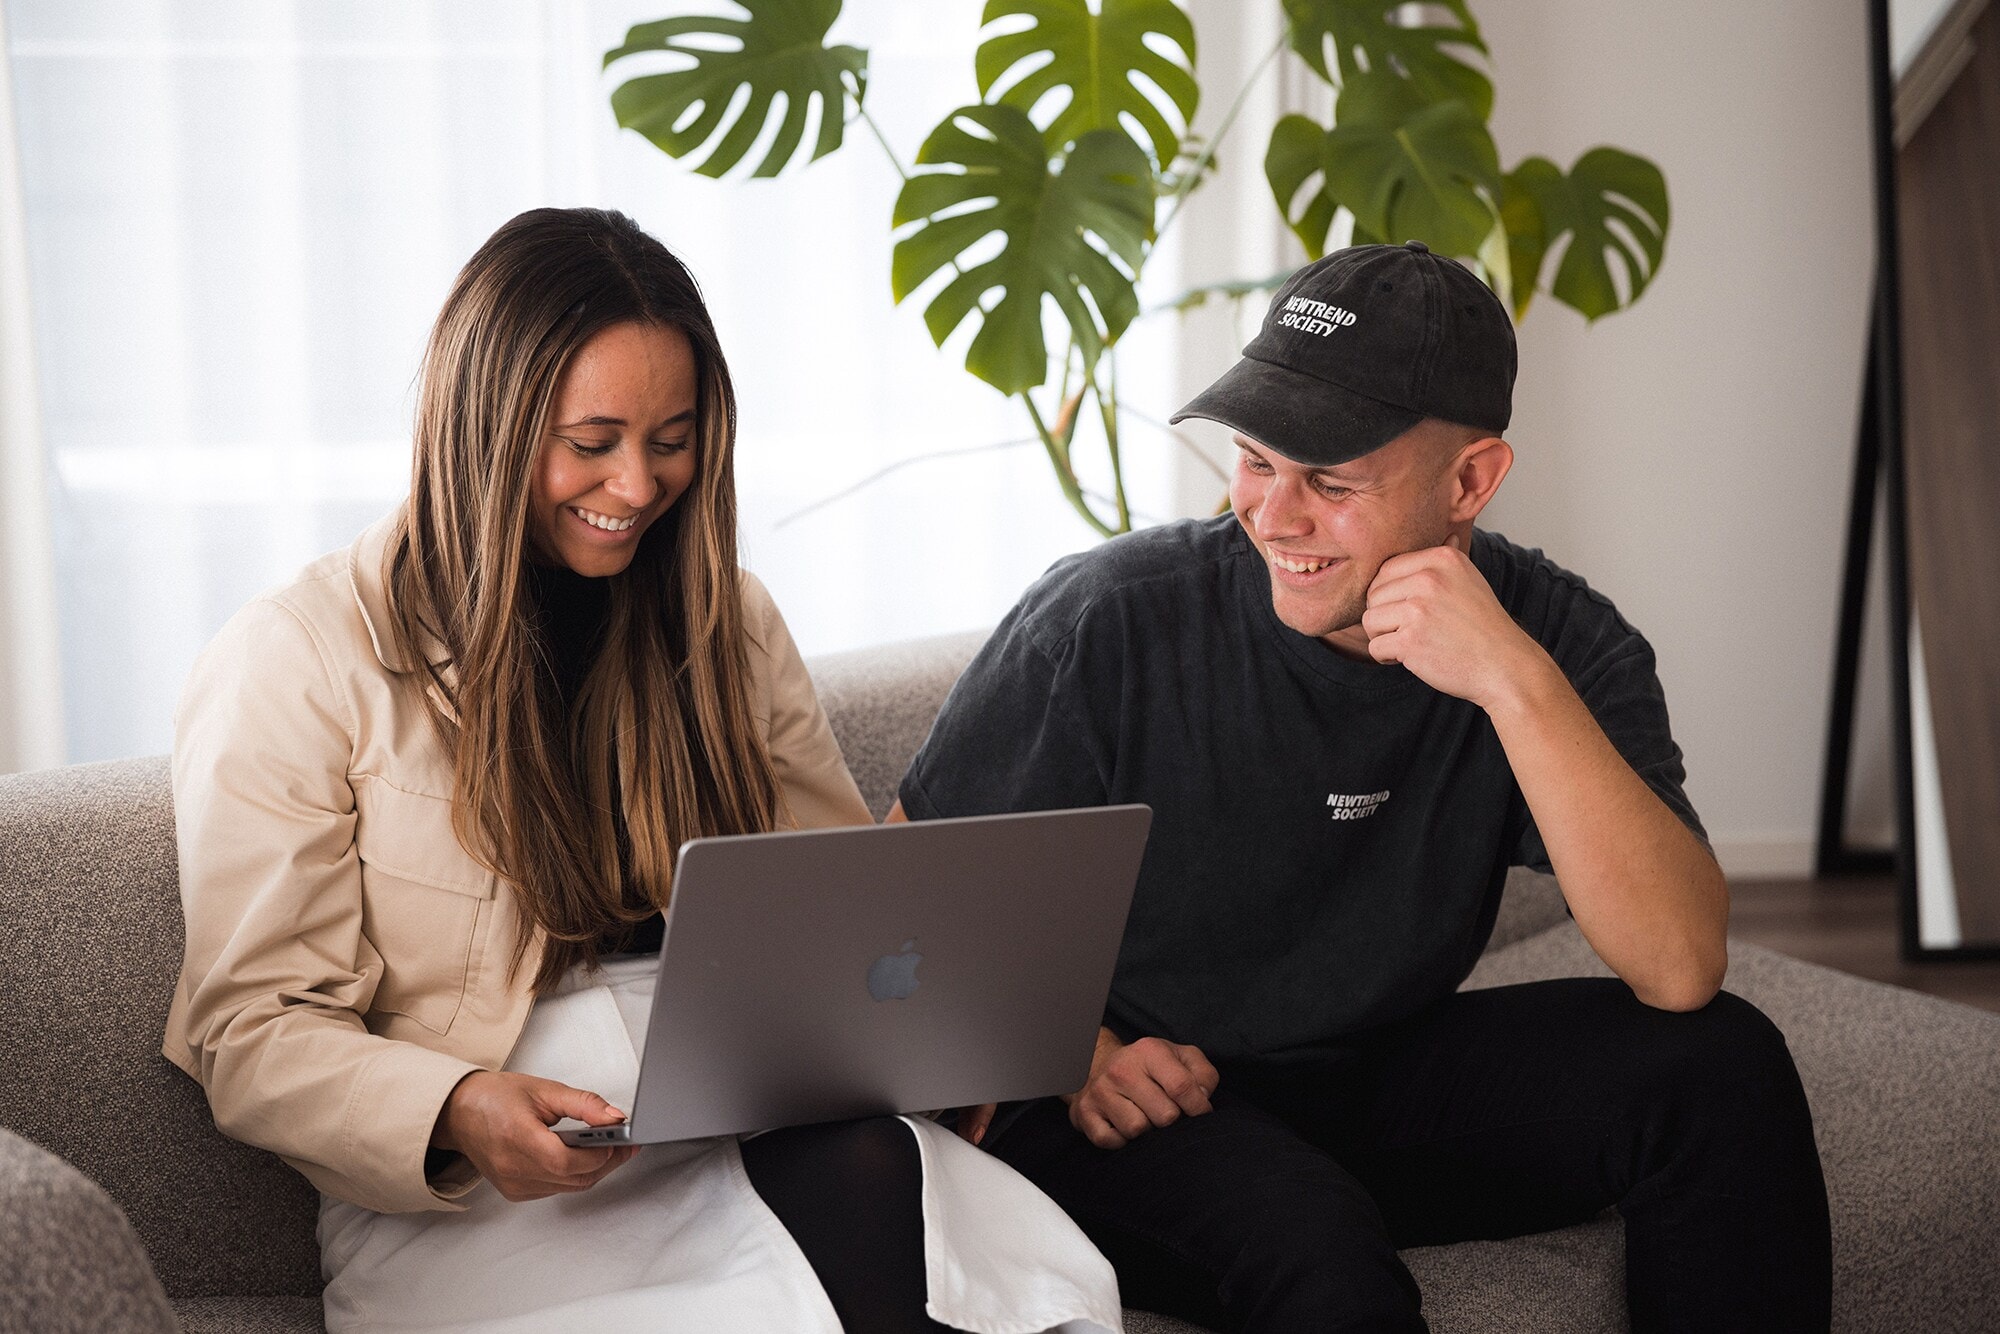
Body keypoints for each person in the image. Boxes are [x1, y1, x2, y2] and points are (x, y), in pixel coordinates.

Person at [163, 207, 1120, 1334]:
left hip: (734, 1099)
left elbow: (835, 906)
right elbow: (255, 1027)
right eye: (592, 439)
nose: (637, 482)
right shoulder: (297, 655)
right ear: (487, 420)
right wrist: (458, 1105)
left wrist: (926, 1036)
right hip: (491, 1181)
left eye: (672, 438)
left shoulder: (725, 620)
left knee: (888, 1192)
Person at [898, 241, 1833, 1332]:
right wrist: (1071, 1051)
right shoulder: (1108, 618)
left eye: (1331, 482)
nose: (1274, 517)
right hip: (1132, 1099)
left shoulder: (1556, 641)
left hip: (1372, 1071)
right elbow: (900, 902)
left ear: (1470, 480)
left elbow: (1677, 965)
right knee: (1321, 1254)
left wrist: (1511, 682)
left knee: (1720, 1064)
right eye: (1254, 460)